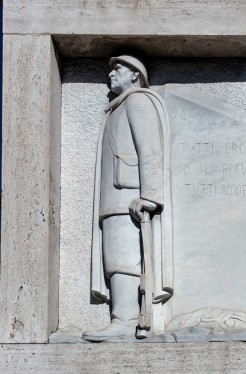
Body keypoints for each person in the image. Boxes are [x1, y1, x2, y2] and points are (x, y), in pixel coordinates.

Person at [83, 55, 173, 341]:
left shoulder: (137, 101)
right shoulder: (116, 108)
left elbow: (151, 150)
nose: (111, 73)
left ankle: (126, 320)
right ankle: (120, 317)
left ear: (135, 75)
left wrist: (150, 195)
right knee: (114, 258)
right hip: (115, 196)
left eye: (117, 69)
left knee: (124, 258)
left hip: (129, 195)